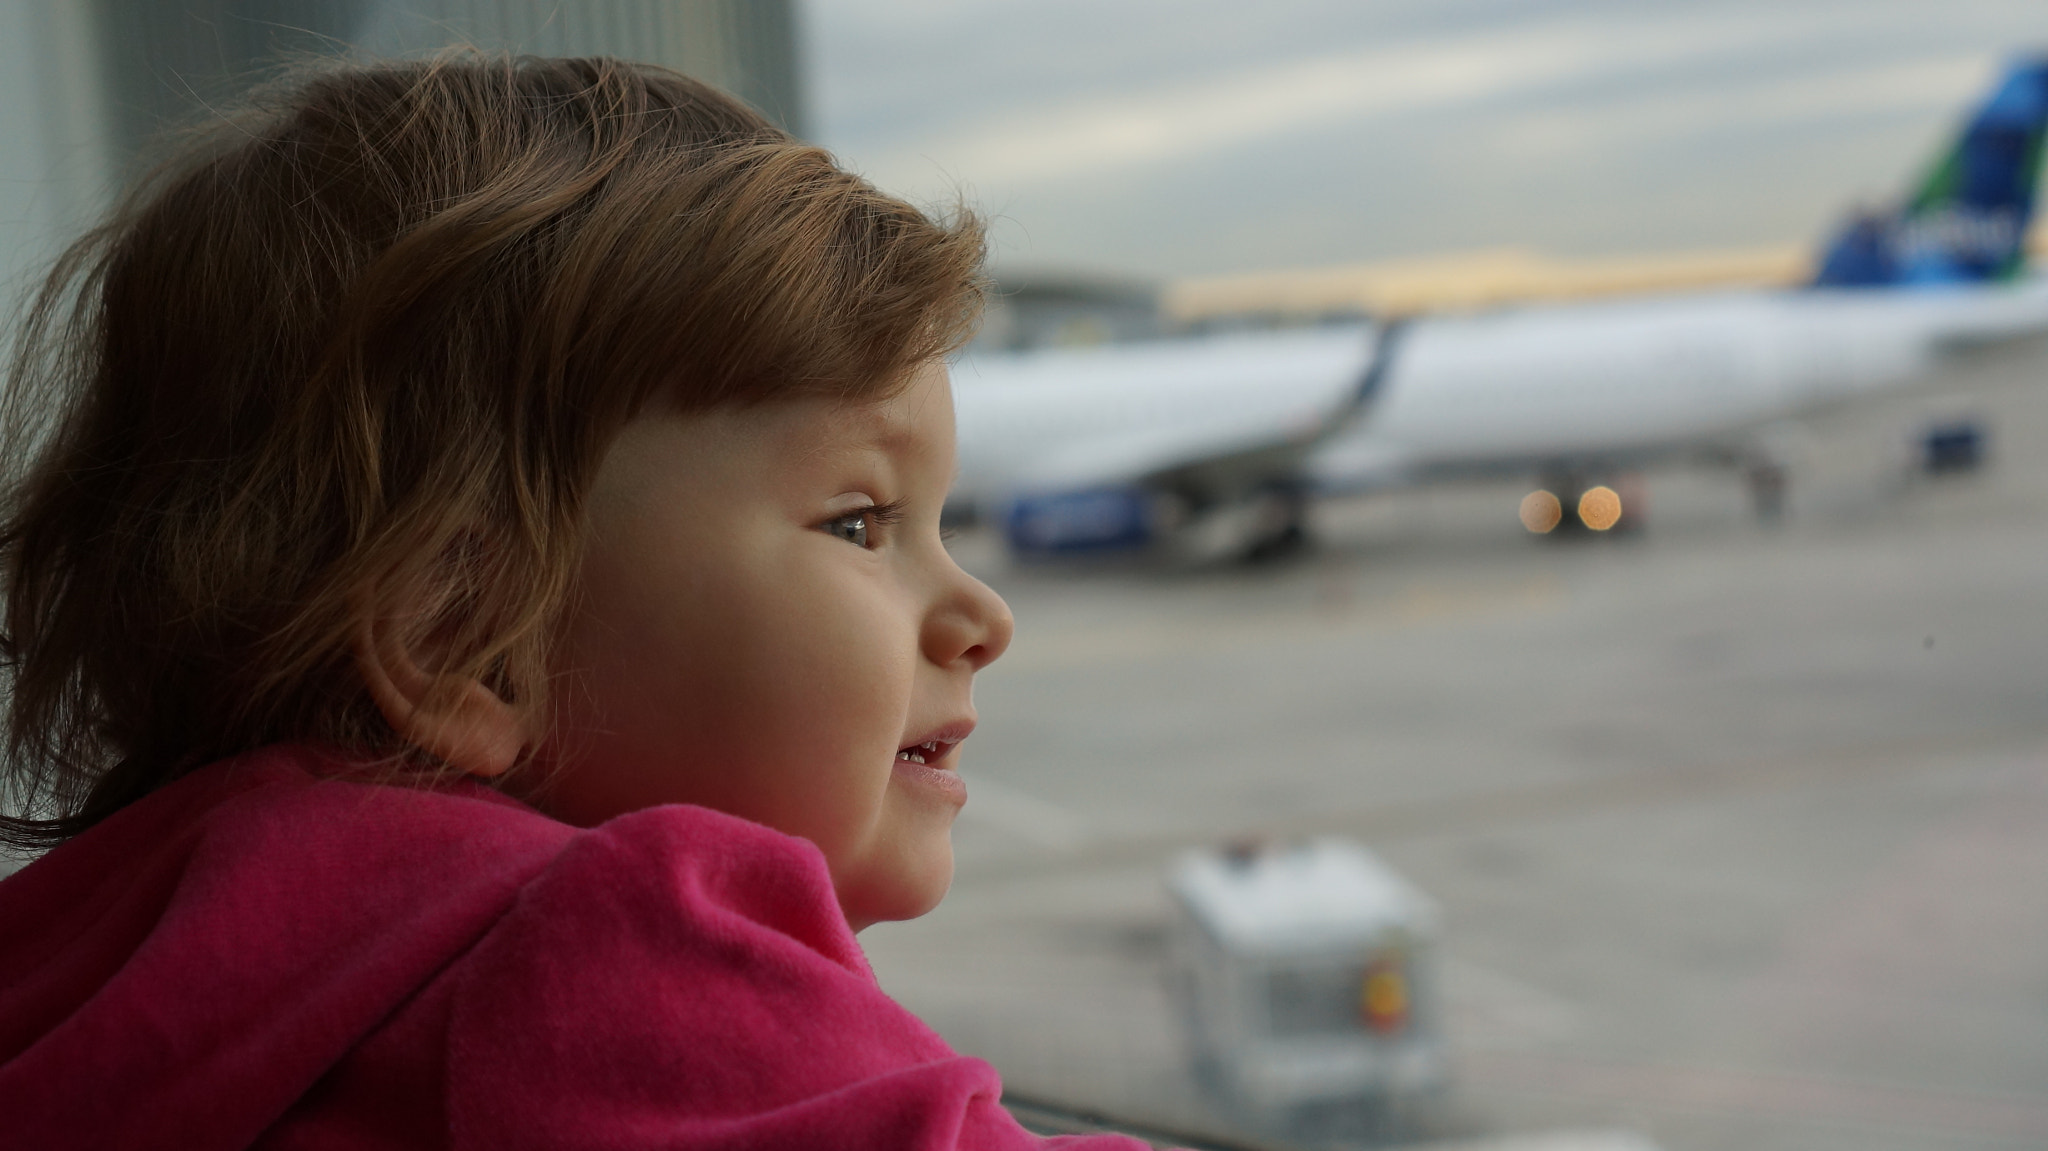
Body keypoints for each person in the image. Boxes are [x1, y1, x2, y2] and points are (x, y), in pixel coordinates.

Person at [0, 54, 1151, 1149]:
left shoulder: (117, 939)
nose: (980, 615)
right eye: (857, 522)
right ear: (460, 633)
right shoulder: (612, 944)